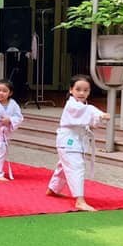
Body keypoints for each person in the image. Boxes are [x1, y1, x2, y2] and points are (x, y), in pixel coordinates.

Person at [47, 74, 110, 211]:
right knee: (76, 167)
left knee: (64, 166)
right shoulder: (72, 105)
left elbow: (89, 120)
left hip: (74, 141)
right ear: (71, 90)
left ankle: (53, 188)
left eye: (86, 90)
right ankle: (80, 201)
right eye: (78, 89)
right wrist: (100, 114)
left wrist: (96, 120)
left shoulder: (82, 106)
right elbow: (87, 111)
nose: (82, 93)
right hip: (69, 141)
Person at [0, 78, 24, 181]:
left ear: (10, 93)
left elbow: (19, 117)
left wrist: (10, 120)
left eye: (4, 91)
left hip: (5, 132)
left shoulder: (13, 104)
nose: (1, 93)